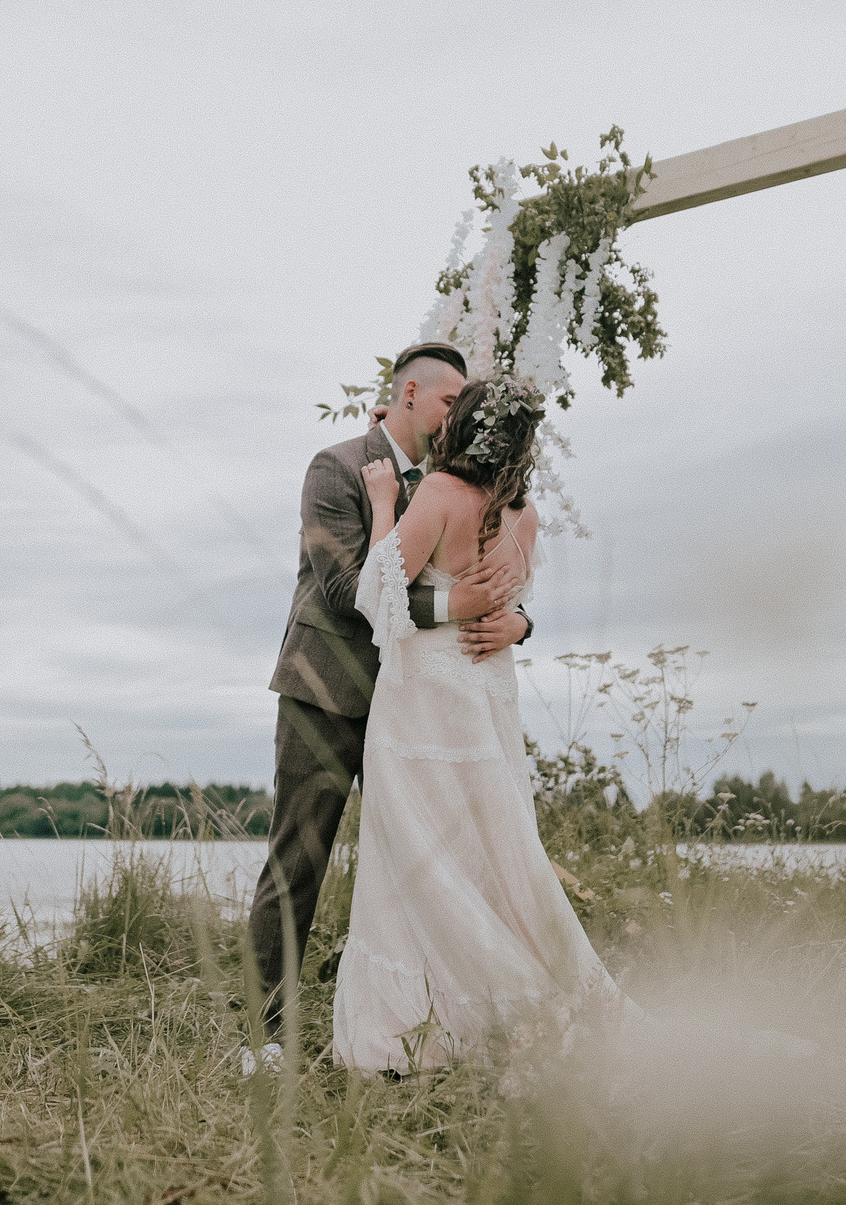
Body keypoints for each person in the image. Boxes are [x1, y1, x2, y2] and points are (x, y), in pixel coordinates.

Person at [245, 342, 531, 1065]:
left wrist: (521, 620)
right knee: (298, 860)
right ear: (409, 393)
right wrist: (456, 602)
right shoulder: (336, 467)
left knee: (419, 868)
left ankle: (412, 1021)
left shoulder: (451, 482)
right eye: (447, 399)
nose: (456, 412)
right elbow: (349, 591)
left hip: (418, 707)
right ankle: (263, 1031)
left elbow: (497, 568)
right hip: (328, 693)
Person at [331, 369, 620, 1074]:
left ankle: (424, 1021)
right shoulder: (526, 517)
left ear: (466, 428)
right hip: (486, 699)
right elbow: (507, 603)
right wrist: (517, 622)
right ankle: (505, 1002)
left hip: (424, 699)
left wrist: (379, 503)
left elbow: (378, 591)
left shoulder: (435, 493)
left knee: (417, 854)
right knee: (489, 848)